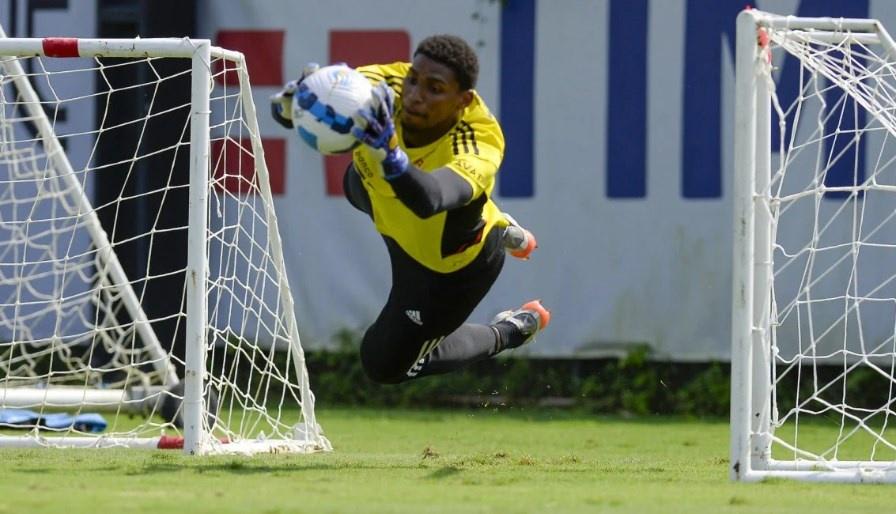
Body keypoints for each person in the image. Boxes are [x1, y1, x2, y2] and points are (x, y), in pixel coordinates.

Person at [272, 34, 550, 384]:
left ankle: (508, 331)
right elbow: (299, 111)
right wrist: (295, 104)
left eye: (434, 89)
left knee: (383, 365)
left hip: (445, 266)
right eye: (414, 79)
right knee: (353, 183)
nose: (416, 95)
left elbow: (429, 200)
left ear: (462, 100)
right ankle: (493, 218)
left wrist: (388, 154)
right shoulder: (387, 83)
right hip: (383, 204)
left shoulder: (479, 138)